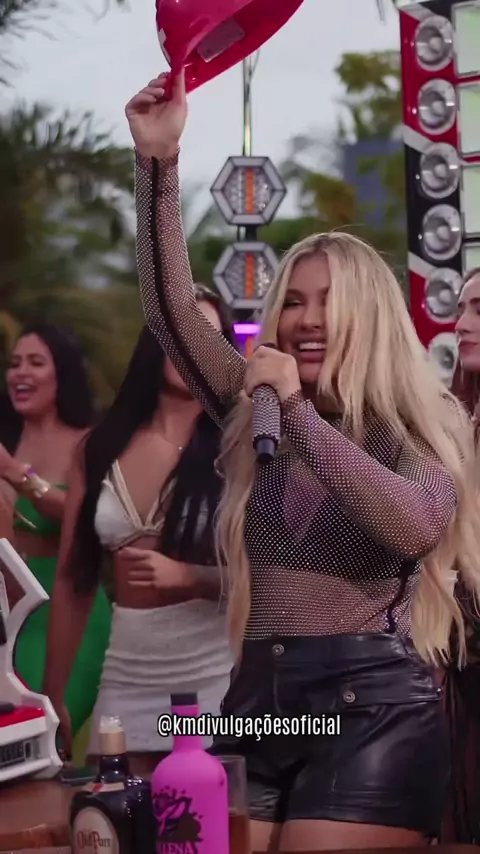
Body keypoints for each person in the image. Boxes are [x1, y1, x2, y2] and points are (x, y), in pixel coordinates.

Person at [125, 70, 480, 851]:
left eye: (328, 302)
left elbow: (416, 523)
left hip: (373, 712)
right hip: (261, 705)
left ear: (368, 316)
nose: (307, 319)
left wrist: (295, 415)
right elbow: (172, 312)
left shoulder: (412, 427)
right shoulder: (254, 402)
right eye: (293, 300)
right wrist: (158, 164)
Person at [44, 297, 236, 776]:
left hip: (214, 675)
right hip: (126, 673)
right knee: (112, 810)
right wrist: (53, 694)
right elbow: (73, 578)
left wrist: (189, 577)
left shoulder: (240, 448)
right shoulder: (99, 447)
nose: (190, 344)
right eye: (180, 327)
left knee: (201, 813)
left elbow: (272, 578)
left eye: (207, 335)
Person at [0, 323, 112, 752]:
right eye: (15, 364)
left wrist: (16, 475)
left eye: (35, 362)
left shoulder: (87, 444)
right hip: (10, 612)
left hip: (67, 612)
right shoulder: (7, 438)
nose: (21, 373)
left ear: (61, 374)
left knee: (37, 733)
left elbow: (87, 517)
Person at [442, 266, 480, 844]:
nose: (463, 323)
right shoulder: (453, 424)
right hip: (458, 660)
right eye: (463, 309)